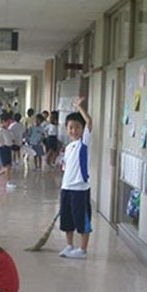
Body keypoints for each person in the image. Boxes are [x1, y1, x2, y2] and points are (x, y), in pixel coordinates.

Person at [58, 97, 92, 259]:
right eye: (71, 127)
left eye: (77, 127)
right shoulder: (69, 146)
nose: (74, 130)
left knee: (82, 220)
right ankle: (70, 246)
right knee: (67, 219)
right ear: (66, 129)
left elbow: (89, 121)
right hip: (67, 188)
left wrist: (80, 107)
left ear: (83, 129)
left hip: (80, 189)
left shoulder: (83, 143)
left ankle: (83, 250)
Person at [0, 112, 17, 189]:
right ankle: (8, 182)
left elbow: (11, 138)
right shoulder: (0, 130)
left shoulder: (8, 130)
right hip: (3, 149)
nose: (9, 124)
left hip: (8, 148)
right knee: (8, 166)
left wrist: (13, 142)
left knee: (8, 166)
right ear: (3, 122)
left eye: (10, 122)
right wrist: (2, 144)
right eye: (8, 122)